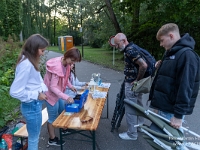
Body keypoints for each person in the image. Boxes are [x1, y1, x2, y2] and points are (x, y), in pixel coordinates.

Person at [149, 23, 200, 129]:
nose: (161, 44)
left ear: (171, 36)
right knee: (160, 140)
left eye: (162, 40)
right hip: (163, 107)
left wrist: (178, 115)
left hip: (171, 111)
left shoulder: (187, 55)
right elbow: (167, 78)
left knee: (172, 143)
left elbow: (185, 87)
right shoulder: (171, 53)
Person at [10, 34, 49, 150]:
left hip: (32, 105)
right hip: (32, 105)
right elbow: (15, 92)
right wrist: (36, 95)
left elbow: (33, 82)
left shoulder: (27, 60)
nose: (42, 53)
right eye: (42, 50)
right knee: (33, 138)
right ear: (34, 48)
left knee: (33, 137)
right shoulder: (26, 64)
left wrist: (43, 90)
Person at [44, 47, 81, 146]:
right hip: (50, 95)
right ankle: (52, 139)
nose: (73, 63)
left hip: (59, 93)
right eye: (72, 60)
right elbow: (52, 87)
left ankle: (64, 129)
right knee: (52, 118)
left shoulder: (66, 63)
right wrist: (66, 97)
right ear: (67, 56)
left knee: (62, 111)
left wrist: (71, 86)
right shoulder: (56, 67)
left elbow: (65, 77)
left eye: (75, 62)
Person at [114, 33, 148, 140]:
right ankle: (139, 126)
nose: (116, 46)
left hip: (133, 83)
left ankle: (132, 134)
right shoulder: (134, 47)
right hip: (139, 82)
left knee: (130, 107)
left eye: (117, 44)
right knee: (138, 104)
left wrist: (136, 80)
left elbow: (143, 65)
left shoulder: (129, 51)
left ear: (124, 41)